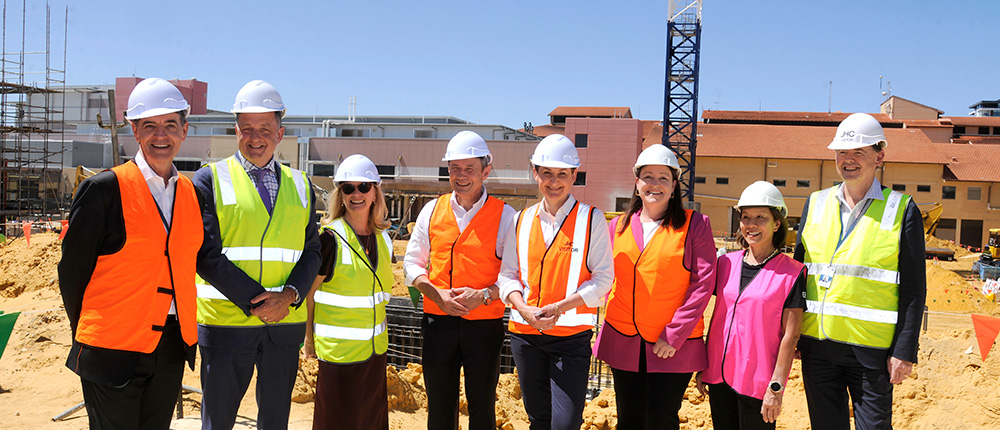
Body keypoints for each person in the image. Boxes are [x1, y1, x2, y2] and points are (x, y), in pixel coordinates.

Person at [58, 77, 202, 429]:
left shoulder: (190, 193)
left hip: (171, 346)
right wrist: (93, 333)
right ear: (135, 131)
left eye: (170, 125)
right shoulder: (103, 189)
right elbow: (72, 273)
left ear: (184, 131)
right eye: (149, 126)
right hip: (111, 347)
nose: (161, 135)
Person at [193, 80, 321, 430]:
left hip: (284, 326)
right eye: (246, 128)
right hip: (226, 324)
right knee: (217, 421)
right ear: (236, 131)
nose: (255, 137)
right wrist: (261, 303)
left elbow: (312, 251)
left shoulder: (301, 185)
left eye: (264, 128)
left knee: (276, 421)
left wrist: (289, 297)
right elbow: (206, 255)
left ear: (280, 134)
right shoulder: (209, 180)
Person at [794, 113, 926, 430]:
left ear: (879, 157)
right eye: (842, 152)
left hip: (872, 351)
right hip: (818, 346)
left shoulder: (901, 209)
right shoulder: (815, 203)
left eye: (859, 152)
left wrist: (904, 350)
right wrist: (792, 334)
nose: (848, 160)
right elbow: (797, 276)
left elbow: (913, 289)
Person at [592, 144, 717, 430]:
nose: (655, 184)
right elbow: (603, 278)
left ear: (674, 186)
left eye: (663, 178)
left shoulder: (695, 224)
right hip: (623, 337)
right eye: (648, 177)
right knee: (629, 419)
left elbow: (702, 283)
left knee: (660, 419)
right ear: (637, 183)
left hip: (672, 344)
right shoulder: (617, 226)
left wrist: (674, 334)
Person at [497, 134, 614, 430]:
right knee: (539, 420)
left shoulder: (591, 219)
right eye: (547, 173)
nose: (554, 181)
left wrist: (560, 307)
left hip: (570, 340)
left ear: (574, 175)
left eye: (562, 174)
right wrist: (524, 309)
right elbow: (507, 275)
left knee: (565, 423)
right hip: (525, 335)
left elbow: (603, 279)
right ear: (535, 173)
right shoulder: (520, 220)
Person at [403, 131, 516, 430]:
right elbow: (411, 264)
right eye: (455, 168)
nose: (461, 175)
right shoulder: (431, 210)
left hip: (484, 326)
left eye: (469, 168)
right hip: (437, 323)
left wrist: (484, 295)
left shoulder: (506, 216)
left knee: (482, 406)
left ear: (486, 171)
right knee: (439, 406)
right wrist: (436, 294)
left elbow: (514, 276)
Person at [697, 181, 806, 429]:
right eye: (745, 217)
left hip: (759, 383)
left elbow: (790, 335)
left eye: (760, 217)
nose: (751, 224)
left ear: (777, 223)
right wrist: (704, 366)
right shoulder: (725, 263)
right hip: (719, 375)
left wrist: (776, 388)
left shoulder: (792, 273)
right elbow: (718, 318)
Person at [303, 154, 392, 430]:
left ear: (375, 193)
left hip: (374, 355)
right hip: (339, 358)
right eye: (348, 188)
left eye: (364, 187)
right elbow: (308, 294)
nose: (356, 194)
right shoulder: (329, 239)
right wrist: (308, 340)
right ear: (340, 195)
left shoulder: (383, 239)